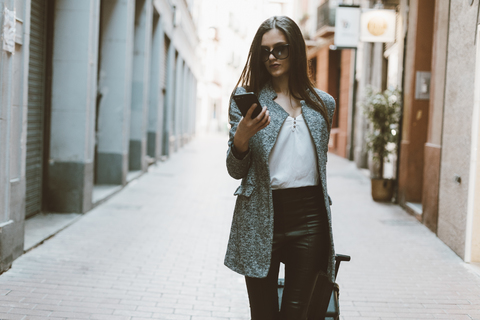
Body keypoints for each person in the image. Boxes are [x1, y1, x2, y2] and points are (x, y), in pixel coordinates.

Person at [224, 16, 336, 320]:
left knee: (297, 315)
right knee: (263, 314)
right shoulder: (247, 102)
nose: (272, 57)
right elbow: (235, 169)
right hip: (261, 214)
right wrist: (241, 138)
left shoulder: (323, 104)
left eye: (280, 49)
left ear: (296, 50)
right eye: (265, 51)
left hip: (309, 217)